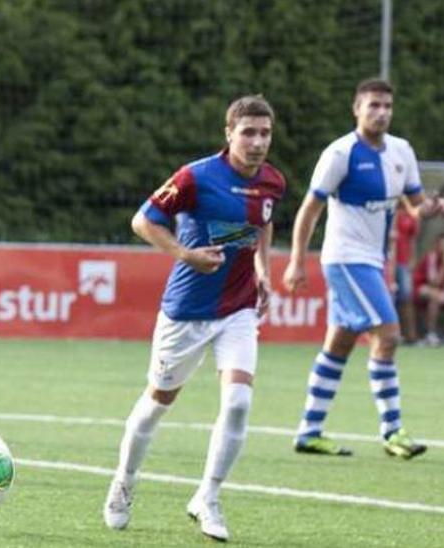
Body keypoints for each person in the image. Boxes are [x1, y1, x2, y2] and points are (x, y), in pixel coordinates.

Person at [103, 95, 284, 543]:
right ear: (229, 134)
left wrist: (262, 269)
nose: (258, 142)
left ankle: (208, 495)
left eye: (264, 133)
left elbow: (264, 224)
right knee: (156, 404)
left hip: (238, 309)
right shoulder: (196, 176)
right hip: (186, 311)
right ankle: (124, 480)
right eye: (249, 133)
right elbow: (143, 221)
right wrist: (186, 254)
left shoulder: (273, 182)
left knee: (239, 402)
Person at [283, 78, 444, 460]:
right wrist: (296, 259)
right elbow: (310, 209)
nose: (381, 113)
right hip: (345, 258)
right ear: (356, 108)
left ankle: (309, 431)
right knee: (389, 335)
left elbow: (414, 205)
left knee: (340, 343)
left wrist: (432, 208)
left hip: (374, 261)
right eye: (373, 105)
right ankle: (393, 432)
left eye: (387, 106)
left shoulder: (401, 151)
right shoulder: (340, 154)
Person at [413, 232, 444, 345]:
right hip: (422, 288)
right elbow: (435, 283)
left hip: (441, 291)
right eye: (443, 244)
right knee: (435, 296)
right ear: (437, 245)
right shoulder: (431, 258)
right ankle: (430, 333)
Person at [391, 207, 420, 343]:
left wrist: (412, 259)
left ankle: (411, 336)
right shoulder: (385, 208)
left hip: (403, 262)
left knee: (407, 297)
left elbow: (412, 239)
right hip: (387, 260)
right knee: (389, 297)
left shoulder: (411, 214)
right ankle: (391, 334)